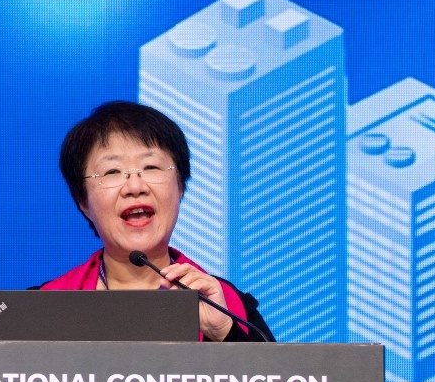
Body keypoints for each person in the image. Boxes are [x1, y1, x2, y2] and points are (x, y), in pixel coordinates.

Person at [38, 100, 275, 342]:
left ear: (180, 186)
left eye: (151, 167)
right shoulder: (41, 309)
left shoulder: (229, 306)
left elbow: (273, 368)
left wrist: (223, 331)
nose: (135, 186)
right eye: (112, 172)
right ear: (83, 201)